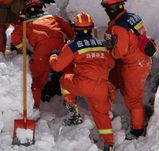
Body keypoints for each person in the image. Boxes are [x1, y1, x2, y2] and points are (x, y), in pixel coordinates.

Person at [49, 12, 115, 151]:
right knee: (101, 114)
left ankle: (74, 114)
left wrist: (54, 55)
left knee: (64, 79)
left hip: (83, 84)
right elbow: (110, 64)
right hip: (101, 86)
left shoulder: (73, 45)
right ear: (91, 28)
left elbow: (57, 66)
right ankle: (109, 143)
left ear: (74, 28)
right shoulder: (101, 45)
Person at [101, 0, 152, 140]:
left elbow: (119, 53)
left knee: (133, 99)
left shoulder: (119, 27)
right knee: (117, 79)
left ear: (112, 10)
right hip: (140, 59)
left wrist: (109, 51)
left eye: (107, 10)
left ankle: (137, 130)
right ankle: (113, 99)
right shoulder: (132, 17)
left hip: (135, 65)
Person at [10, 0, 74, 108]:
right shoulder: (53, 17)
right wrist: (70, 40)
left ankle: (35, 108)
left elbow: (15, 37)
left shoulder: (25, 24)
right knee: (68, 74)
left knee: (38, 81)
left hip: (41, 52)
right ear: (41, 7)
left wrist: (24, 50)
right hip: (61, 48)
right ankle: (71, 104)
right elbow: (69, 30)